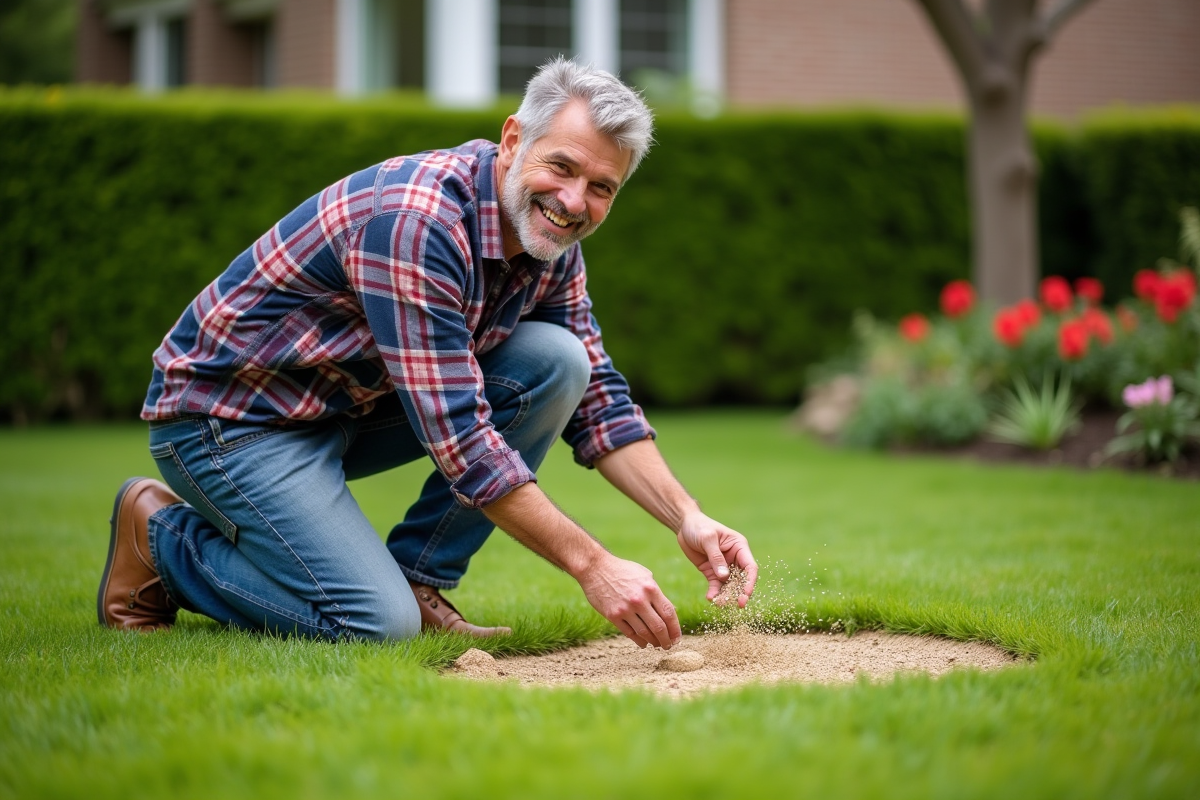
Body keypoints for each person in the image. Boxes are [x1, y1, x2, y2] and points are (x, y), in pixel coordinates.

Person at [98, 57, 757, 649]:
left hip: (338, 407)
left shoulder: (549, 242)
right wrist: (594, 565)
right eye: (562, 166)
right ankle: (161, 541)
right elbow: (463, 439)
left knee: (560, 363)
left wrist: (688, 517)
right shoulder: (416, 223)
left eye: (602, 187)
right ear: (512, 139)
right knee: (376, 627)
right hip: (228, 423)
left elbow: (596, 399)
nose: (574, 201)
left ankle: (418, 581)